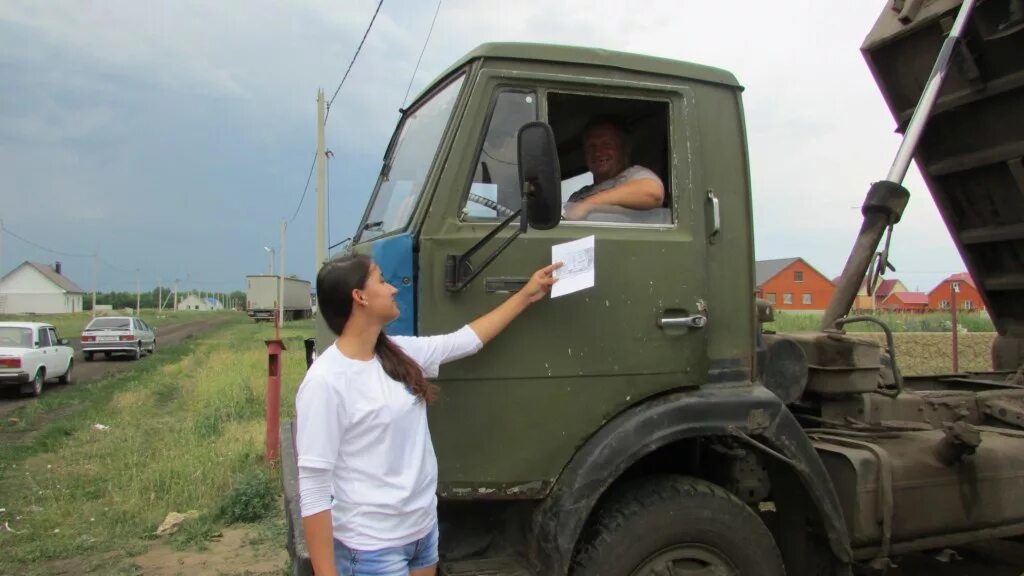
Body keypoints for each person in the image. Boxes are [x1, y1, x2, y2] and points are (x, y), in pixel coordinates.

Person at [296, 254, 561, 576]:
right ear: (359, 297)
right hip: (371, 548)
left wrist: (527, 296)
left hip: (422, 534)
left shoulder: (395, 353)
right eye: (381, 280)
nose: (393, 289)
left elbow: (464, 341)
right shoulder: (326, 381)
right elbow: (313, 489)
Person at [564, 116, 665, 221]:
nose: (598, 152)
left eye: (606, 144)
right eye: (591, 146)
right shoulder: (578, 196)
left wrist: (588, 204)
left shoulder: (633, 175)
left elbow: (652, 193)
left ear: (624, 148)